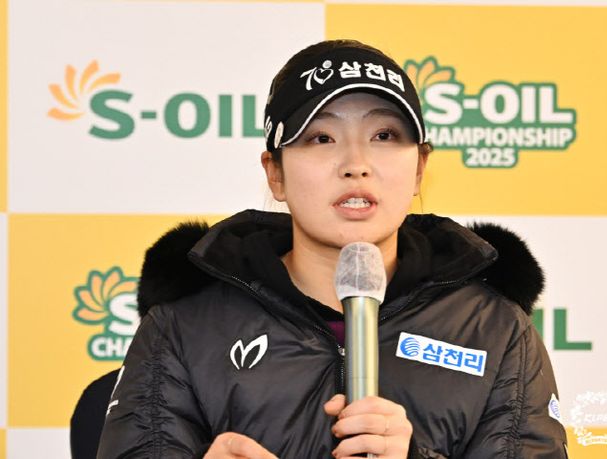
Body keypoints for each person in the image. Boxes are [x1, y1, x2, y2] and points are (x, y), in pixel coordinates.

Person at [97, 39, 568, 458]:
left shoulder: (492, 328)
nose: (356, 164)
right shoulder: (185, 324)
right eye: (321, 138)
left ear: (420, 168)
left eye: (384, 136)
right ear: (275, 173)